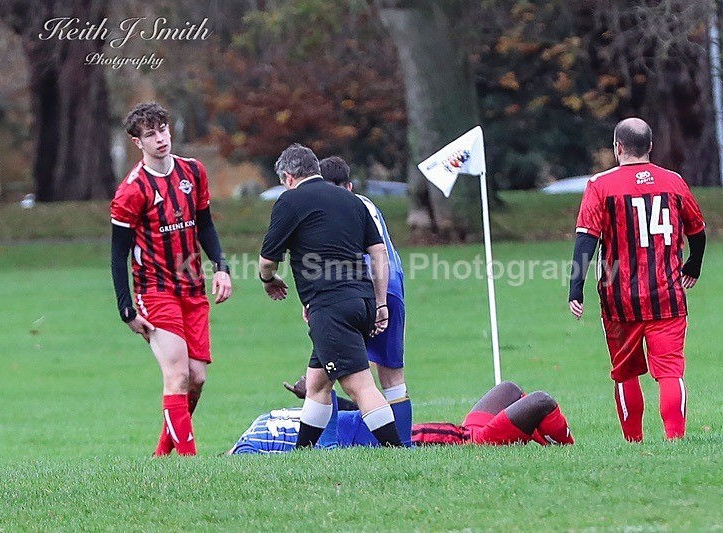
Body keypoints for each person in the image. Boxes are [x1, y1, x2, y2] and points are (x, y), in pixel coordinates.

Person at [568, 117, 706, 442]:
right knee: (670, 370)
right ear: (650, 147)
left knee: (625, 372)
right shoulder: (673, 182)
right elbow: (697, 230)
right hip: (668, 295)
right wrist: (694, 266)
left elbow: (585, 240)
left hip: (619, 300)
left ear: (618, 148)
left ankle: (634, 442)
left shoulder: (600, 185)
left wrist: (576, 288)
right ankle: (675, 438)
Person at [259, 144, 404, 448]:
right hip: (362, 300)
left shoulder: (290, 201)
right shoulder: (352, 201)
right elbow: (378, 253)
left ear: (287, 177)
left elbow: (268, 259)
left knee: (359, 386)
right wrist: (379, 303)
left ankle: (397, 450)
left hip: (330, 304)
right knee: (317, 382)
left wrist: (268, 280)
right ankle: (303, 452)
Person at [110, 102, 232, 456]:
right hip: (155, 290)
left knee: (197, 379)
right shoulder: (131, 191)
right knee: (177, 376)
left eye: (163, 130)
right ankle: (188, 464)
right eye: (151, 134)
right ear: (138, 142)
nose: (161, 138)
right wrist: (126, 309)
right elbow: (118, 255)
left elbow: (205, 225)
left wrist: (221, 267)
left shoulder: (193, 172)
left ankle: (163, 455)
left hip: (192, 288)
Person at [318, 156, 411, 446]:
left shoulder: (338, 211)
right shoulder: (368, 204)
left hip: (362, 293)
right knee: (392, 375)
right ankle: (403, 444)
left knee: (327, 371)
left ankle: (328, 443)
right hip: (394, 289)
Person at [229, 378, 573, 453]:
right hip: (465, 446)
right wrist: (324, 395)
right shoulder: (251, 452)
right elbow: (325, 452)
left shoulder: (263, 420)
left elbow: (349, 415)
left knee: (509, 388)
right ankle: (567, 449)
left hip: (453, 430)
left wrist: (318, 398)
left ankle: (537, 440)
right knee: (540, 400)